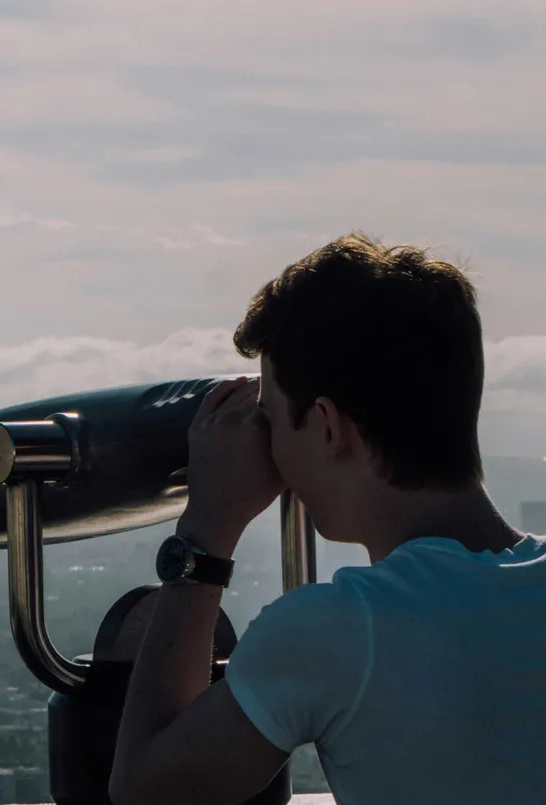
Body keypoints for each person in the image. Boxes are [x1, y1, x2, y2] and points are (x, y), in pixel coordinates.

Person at [109, 233, 546, 805]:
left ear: (326, 425)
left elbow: (146, 791)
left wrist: (207, 530)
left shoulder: (337, 630)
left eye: (271, 420)